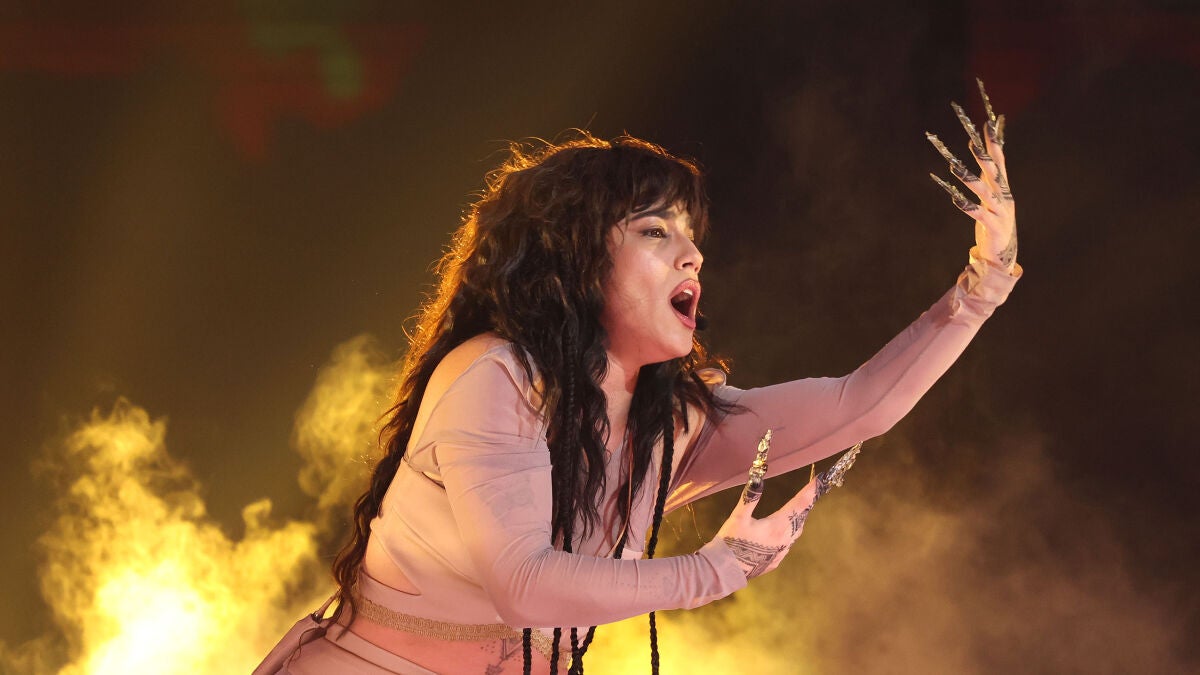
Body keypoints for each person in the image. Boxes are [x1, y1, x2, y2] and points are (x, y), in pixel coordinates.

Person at [256, 81, 1020, 675]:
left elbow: (859, 406)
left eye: (691, 234)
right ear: (575, 255)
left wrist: (982, 285)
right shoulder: (496, 374)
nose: (693, 253)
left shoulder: (668, 422)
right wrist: (710, 570)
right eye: (656, 230)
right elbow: (522, 582)